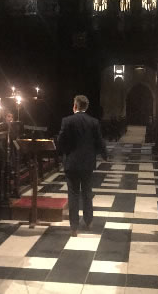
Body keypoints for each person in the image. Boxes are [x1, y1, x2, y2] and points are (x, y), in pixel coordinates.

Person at [57, 95, 107, 236]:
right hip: (87, 163)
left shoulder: (67, 121)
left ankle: (74, 227)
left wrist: (62, 153)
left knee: (73, 194)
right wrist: (103, 154)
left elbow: (60, 141)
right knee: (87, 193)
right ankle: (89, 221)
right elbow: (99, 141)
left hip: (72, 163)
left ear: (75, 106)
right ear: (86, 106)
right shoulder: (94, 122)